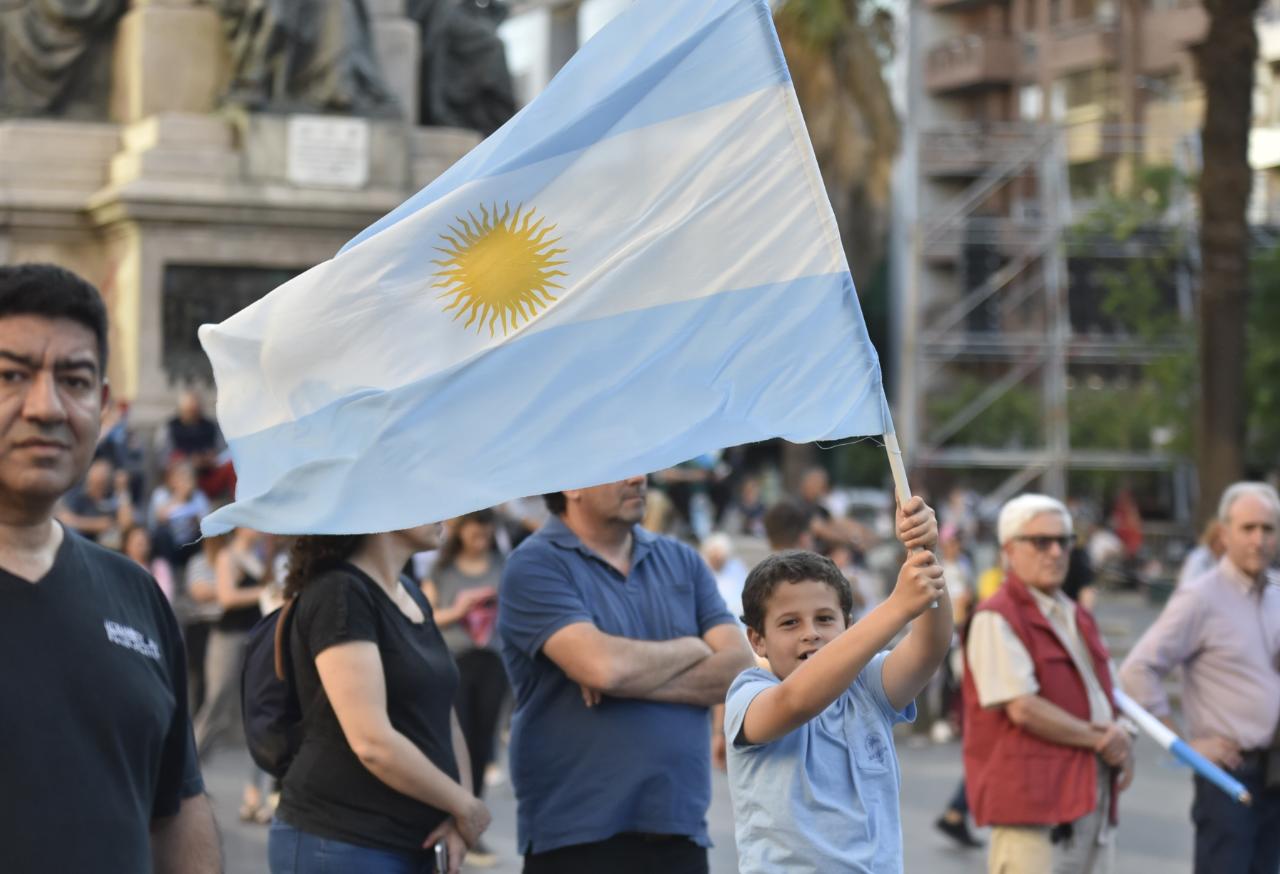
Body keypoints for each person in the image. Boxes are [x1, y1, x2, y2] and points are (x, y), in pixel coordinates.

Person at [0, 263, 218, 872]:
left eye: (72, 380)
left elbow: (176, 806)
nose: (45, 408)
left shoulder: (135, 593)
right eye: (11, 375)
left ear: (101, 406)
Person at [497, 475, 756, 873]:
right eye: (619, 467)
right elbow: (604, 667)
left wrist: (620, 679)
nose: (639, 477)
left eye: (640, 464)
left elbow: (738, 670)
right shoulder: (534, 564)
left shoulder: (681, 560)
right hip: (576, 837)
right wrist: (694, 646)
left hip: (679, 830)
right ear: (570, 485)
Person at [724, 498, 949, 873]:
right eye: (790, 623)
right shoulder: (748, 695)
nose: (811, 634)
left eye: (825, 619)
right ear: (757, 640)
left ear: (847, 624)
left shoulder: (867, 686)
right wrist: (896, 606)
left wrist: (923, 552)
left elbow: (929, 648)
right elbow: (794, 702)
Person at [270, 525, 492, 874]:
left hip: (412, 842)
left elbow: (443, 715)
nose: (442, 512)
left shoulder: (411, 594)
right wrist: (466, 806)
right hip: (343, 843)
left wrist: (455, 814)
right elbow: (372, 741)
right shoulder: (340, 593)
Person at [963, 493, 1133, 874]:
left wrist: (1124, 735)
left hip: (1090, 797)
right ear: (1009, 550)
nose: (1055, 552)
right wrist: (1103, 738)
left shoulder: (1075, 614)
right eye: (1041, 541)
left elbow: (1109, 695)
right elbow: (1022, 707)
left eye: (1064, 541)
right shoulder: (996, 615)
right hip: (1034, 810)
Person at [1119, 482, 1280, 874]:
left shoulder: (1277, 594)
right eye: (1248, 528)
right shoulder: (1200, 597)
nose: (1258, 539)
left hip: (1274, 771)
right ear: (1224, 533)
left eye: (1268, 529)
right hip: (1227, 775)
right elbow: (1137, 670)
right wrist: (1185, 746)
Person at [423, 509, 508, 868]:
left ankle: (470, 823)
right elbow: (426, 617)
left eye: (487, 534)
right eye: (475, 534)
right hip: (454, 661)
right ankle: (452, 816)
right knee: (455, 741)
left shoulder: (502, 565)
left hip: (492, 661)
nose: (482, 540)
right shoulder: (442, 570)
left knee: (481, 744)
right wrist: (459, 609)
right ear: (462, 533)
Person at [55, 456, 134, 546]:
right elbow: (64, 519)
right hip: (81, 544)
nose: (99, 486)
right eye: (96, 482)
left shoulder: (112, 497)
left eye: (103, 482)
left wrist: (122, 490)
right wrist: (95, 524)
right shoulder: (78, 496)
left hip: (109, 547)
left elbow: (126, 524)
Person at [1176, 518, 1225, 588]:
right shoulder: (1199, 557)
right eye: (1221, 539)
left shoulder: (1223, 559)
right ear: (1214, 539)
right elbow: (1188, 584)